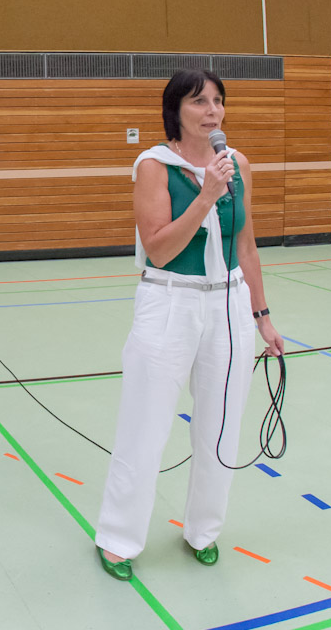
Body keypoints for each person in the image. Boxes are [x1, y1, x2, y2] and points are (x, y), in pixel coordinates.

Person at [94, 69, 283, 581]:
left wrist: (262, 317)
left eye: (218, 100)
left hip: (229, 305)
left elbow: (246, 245)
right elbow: (158, 248)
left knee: (220, 428)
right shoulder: (154, 165)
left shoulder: (237, 164)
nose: (212, 111)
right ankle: (117, 538)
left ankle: (203, 531)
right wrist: (205, 196)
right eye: (199, 101)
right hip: (169, 303)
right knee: (145, 427)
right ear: (175, 110)